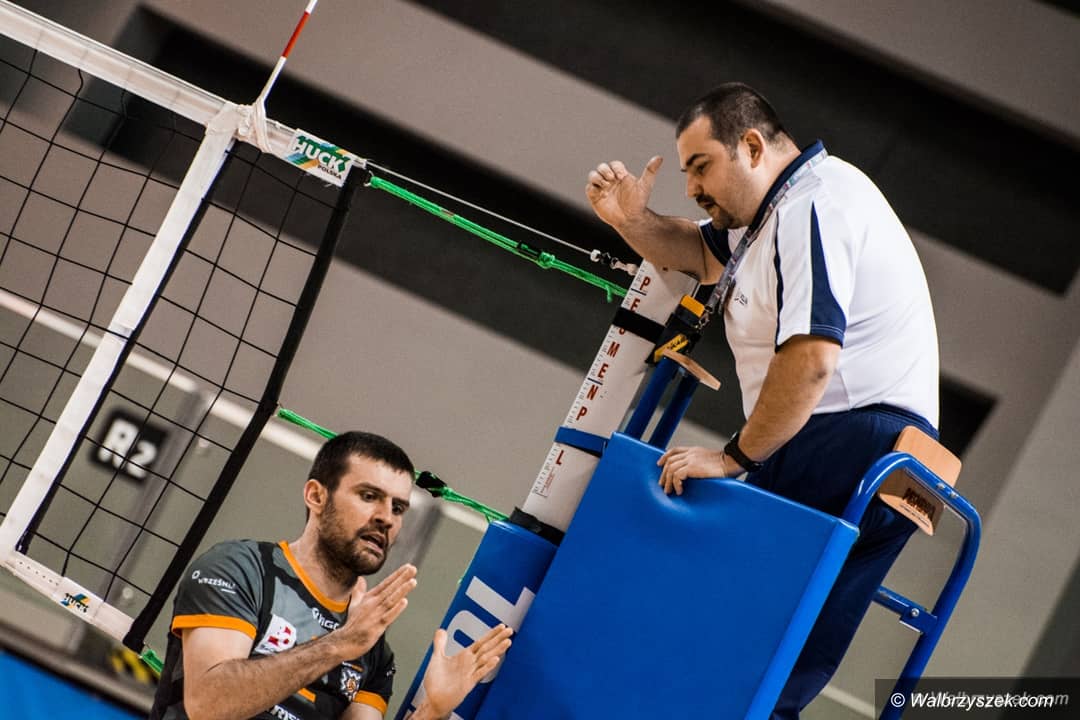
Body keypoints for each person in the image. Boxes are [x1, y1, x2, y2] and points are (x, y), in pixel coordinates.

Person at [586, 82, 939, 718]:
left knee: (709, 646)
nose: (692, 188)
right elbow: (699, 252)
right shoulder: (775, 215)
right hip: (901, 468)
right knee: (776, 681)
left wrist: (734, 458)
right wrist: (630, 221)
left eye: (701, 167)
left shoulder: (813, 203)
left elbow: (812, 359)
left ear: (751, 146)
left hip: (848, 445)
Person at [149, 431, 512, 720]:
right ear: (316, 496)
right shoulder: (240, 568)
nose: (386, 518)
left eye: (398, 507)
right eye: (369, 496)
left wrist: (433, 710)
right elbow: (209, 705)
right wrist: (340, 644)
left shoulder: (373, 650)